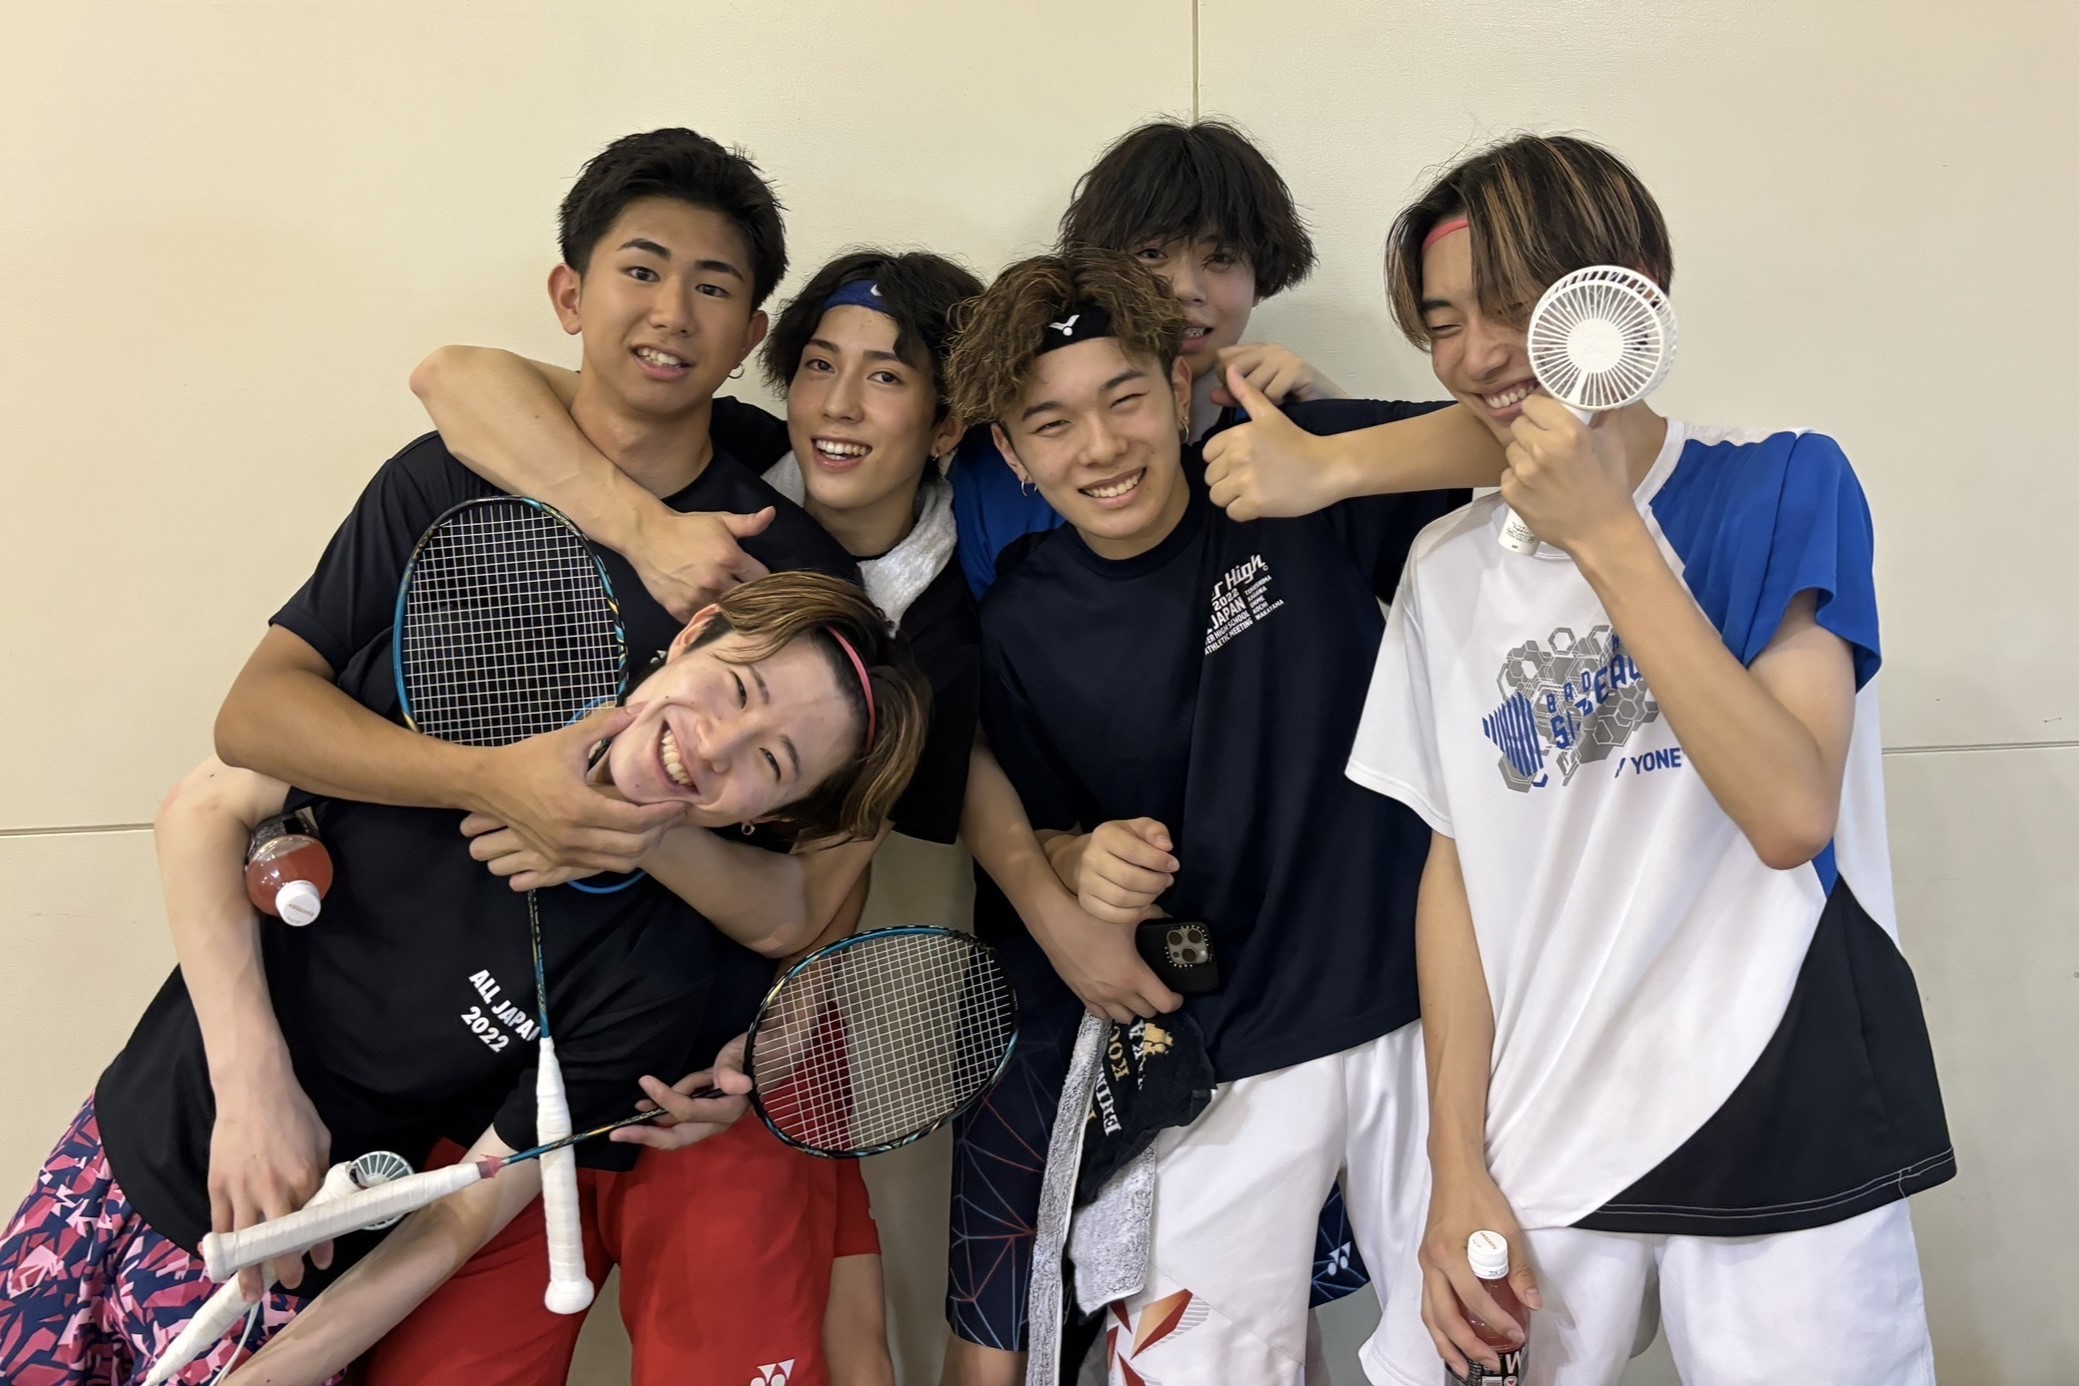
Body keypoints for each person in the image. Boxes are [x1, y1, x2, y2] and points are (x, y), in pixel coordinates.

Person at [1345, 134, 1952, 1385]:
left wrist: (1606, 532)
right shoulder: (1445, 569)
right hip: (1545, 1129)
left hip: (1787, 1101)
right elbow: (1459, 879)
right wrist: (1453, 1164)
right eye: (1444, 323)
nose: (1476, 354)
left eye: (1511, 304)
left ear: (1628, 288)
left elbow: (1790, 812)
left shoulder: (1781, 482)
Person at [0, 570, 928, 1386]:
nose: (716, 744)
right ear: (692, 635)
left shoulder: (658, 975)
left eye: (770, 762)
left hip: (285, 1293)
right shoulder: (471, 682)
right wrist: (253, 1095)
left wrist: (274, 1374)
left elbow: (466, 1213)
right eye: (736, 687)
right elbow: (204, 806)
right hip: (110, 1164)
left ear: (775, 817)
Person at [940, 120, 1502, 1386]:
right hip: (1221, 1043)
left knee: (1477, 1351)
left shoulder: (1292, 481)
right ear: (1013, 456)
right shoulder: (1018, 617)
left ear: (1175, 378)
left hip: (1422, 1007)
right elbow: (1040, 823)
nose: (1100, 447)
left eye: (1125, 398)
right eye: (1051, 425)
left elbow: (1533, 441)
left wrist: (1336, 451)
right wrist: (1082, 861)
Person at [375, 245, 991, 1386]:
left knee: (830, 1341)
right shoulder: (727, 469)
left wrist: (626, 827)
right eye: (818, 365)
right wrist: (642, 527)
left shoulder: (939, 640)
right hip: (535, 1005)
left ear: (947, 422)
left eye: (888, 377)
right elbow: (453, 377)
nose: (838, 405)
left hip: (726, 1044)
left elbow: (811, 907)